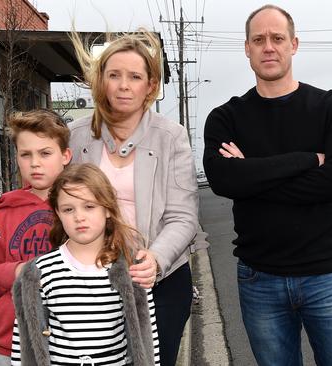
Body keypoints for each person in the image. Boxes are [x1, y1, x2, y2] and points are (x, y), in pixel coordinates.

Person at [203, 4, 332, 365]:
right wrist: (307, 160)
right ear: (247, 49)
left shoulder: (331, 108)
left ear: (294, 44)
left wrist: (252, 176)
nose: (268, 47)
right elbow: (223, 179)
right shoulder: (226, 117)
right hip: (260, 278)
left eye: (277, 38)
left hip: (327, 276)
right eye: (259, 40)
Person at [67, 29, 198, 365]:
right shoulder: (76, 135)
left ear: (150, 86)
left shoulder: (172, 137)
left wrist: (156, 258)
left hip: (161, 283)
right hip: (92, 282)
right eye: (114, 75)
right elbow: (45, 192)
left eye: (135, 76)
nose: (124, 85)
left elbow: (183, 216)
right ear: (102, 81)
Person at [11, 163, 160, 366]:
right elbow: (23, 346)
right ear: (58, 213)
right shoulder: (39, 272)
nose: (79, 217)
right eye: (68, 209)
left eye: (89, 206)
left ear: (107, 209)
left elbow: (147, 341)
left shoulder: (131, 271)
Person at [0, 110, 72, 365]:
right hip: (8, 345)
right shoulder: (3, 213)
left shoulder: (81, 208)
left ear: (65, 156)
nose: (35, 163)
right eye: (25, 154)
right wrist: (18, 271)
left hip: (69, 343)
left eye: (45, 153)